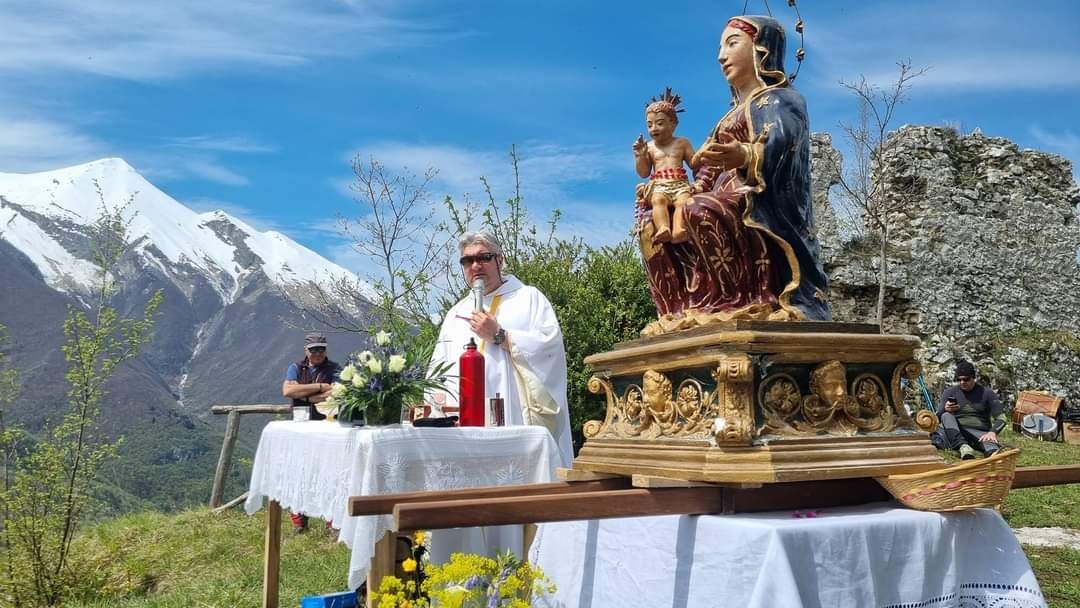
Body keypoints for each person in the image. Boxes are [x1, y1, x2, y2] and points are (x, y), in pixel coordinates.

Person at [638, 15, 831, 336]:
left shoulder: (779, 100)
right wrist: (668, 184)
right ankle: (681, 307)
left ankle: (740, 301)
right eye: (719, 47)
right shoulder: (727, 117)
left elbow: (782, 141)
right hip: (717, 192)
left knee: (698, 210)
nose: (720, 56)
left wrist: (744, 154)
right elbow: (706, 166)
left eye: (731, 44)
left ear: (762, 50)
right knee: (651, 224)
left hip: (755, 192)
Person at [426, 230, 573, 563]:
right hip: (463, 433)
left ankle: (519, 576)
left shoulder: (529, 299)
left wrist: (500, 335)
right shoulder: (455, 314)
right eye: (468, 260)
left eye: (483, 257)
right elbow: (438, 370)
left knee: (513, 510)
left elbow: (550, 352)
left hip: (513, 425)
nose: (476, 265)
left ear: (500, 260)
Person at [281, 332, 341, 532]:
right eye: (313, 349)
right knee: (300, 472)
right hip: (302, 429)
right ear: (306, 350)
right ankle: (300, 522)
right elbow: (288, 391)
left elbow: (337, 392)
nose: (317, 353)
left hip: (328, 428)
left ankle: (331, 521)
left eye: (321, 349)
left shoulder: (335, 368)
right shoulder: (295, 367)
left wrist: (303, 392)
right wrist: (320, 387)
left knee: (329, 473)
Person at [633, 87, 700, 244]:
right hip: (659, 186)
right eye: (650, 125)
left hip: (680, 185)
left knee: (683, 202)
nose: (654, 128)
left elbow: (694, 163)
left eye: (660, 123)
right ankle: (663, 228)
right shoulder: (649, 147)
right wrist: (640, 155)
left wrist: (703, 153)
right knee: (658, 200)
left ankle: (679, 230)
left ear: (673, 124)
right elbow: (643, 173)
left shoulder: (682, 142)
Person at [937, 360, 1004, 459]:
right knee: (946, 415)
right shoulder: (949, 392)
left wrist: (992, 432)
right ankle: (963, 447)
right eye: (959, 380)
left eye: (966, 379)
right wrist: (945, 409)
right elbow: (937, 418)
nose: (962, 382)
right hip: (957, 432)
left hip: (980, 433)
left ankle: (989, 452)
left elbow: (1002, 418)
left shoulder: (987, 393)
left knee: (992, 449)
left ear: (974, 378)